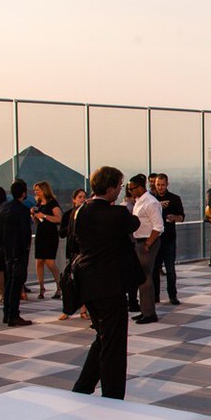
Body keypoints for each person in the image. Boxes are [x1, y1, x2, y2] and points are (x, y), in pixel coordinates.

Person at [70, 166, 141, 400]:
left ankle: (83, 386)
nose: (121, 191)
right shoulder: (118, 215)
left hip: (87, 284)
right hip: (111, 285)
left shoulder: (80, 212)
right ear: (110, 189)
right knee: (114, 344)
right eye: (120, 187)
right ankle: (112, 396)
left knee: (103, 337)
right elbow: (134, 224)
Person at [0, 181, 33, 327]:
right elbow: (25, 233)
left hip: (6, 251)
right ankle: (13, 315)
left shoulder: (3, 208)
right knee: (16, 283)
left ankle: (7, 313)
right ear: (23, 193)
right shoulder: (22, 210)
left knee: (9, 283)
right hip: (18, 252)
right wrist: (26, 249)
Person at [127, 174, 162, 325]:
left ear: (140, 188)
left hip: (147, 242)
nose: (130, 191)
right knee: (141, 277)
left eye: (132, 188)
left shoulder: (150, 202)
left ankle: (149, 313)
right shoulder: (139, 201)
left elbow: (158, 226)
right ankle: (145, 309)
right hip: (139, 242)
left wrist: (148, 243)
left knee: (146, 277)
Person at [151, 173, 185, 306]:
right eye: (158, 185)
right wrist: (158, 205)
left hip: (169, 238)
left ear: (167, 184)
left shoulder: (175, 199)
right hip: (155, 239)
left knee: (170, 269)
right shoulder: (151, 199)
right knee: (154, 269)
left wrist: (174, 218)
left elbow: (182, 217)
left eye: (162, 185)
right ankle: (155, 296)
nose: (160, 187)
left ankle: (172, 295)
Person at [57, 188, 88, 320]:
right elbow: (62, 233)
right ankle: (68, 309)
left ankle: (83, 309)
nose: (82, 199)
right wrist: (72, 226)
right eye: (79, 197)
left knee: (84, 282)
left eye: (84, 197)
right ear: (74, 199)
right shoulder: (69, 214)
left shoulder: (87, 214)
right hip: (72, 251)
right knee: (69, 281)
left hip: (83, 251)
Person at [30, 181, 62, 300]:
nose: (36, 192)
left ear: (44, 190)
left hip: (50, 235)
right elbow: (38, 222)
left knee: (50, 262)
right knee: (39, 262)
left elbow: (59, 219)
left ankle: (59, 286)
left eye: (38, 190)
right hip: (41, 234)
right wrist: (35, 216)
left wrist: (44, 216)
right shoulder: (39, 203)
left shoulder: (52, 203)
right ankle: (41, 288)